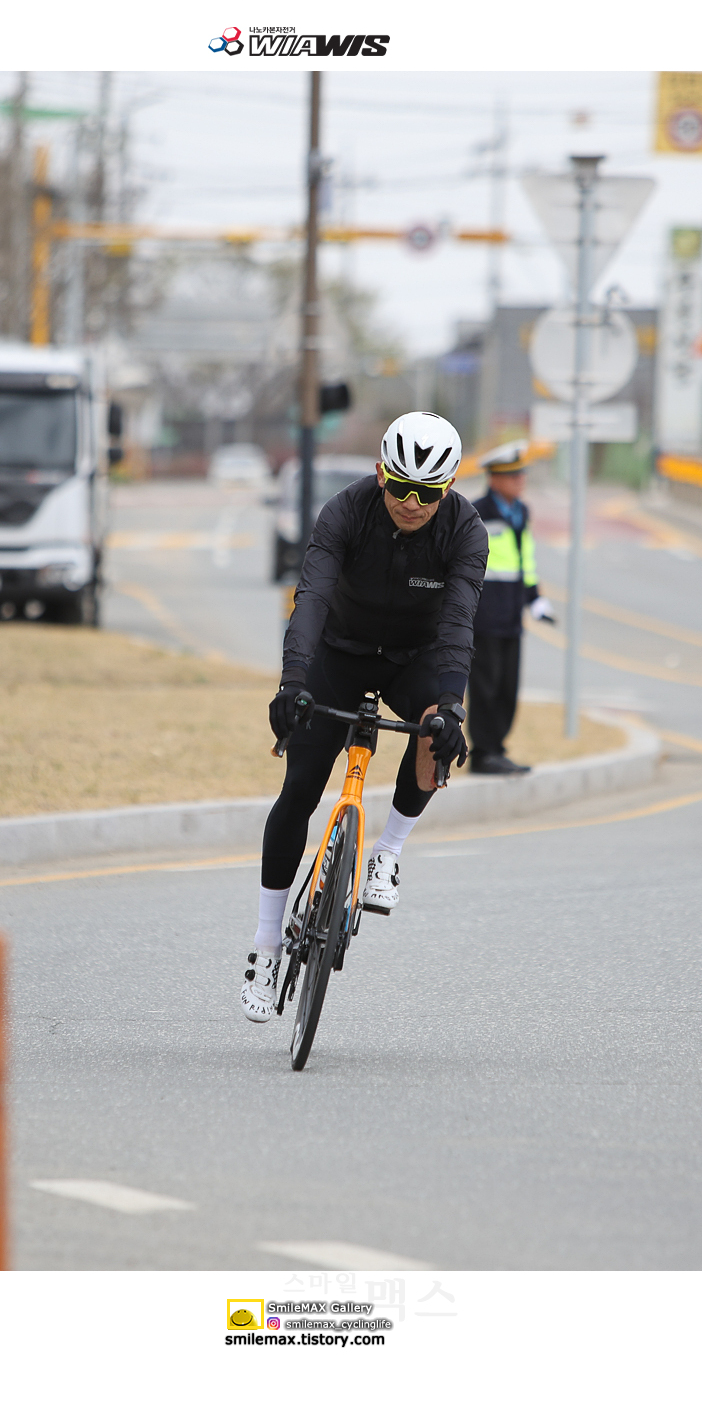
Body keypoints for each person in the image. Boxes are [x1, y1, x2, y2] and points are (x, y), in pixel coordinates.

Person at [241, 411, 488, 1023]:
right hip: (340, 654)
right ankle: (266, 946)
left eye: (427, 493)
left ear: (449, 487)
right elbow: (311, 600)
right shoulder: (344, 512)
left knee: (437, 727)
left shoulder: (466, 531)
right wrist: (292, 682)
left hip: (414, 658)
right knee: (300, 789)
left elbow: (459, 625)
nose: (412, 503)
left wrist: (451, 705)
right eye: (400, 486)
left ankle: (389, 849)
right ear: (381, 473)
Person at [466, 440, 554, 775]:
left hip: (512, 616)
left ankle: (497, 749)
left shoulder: (521, 513)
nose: (520, 481)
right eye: (513, 476)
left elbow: (524, 561)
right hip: (485, 616)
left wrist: (535, 599)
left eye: (522, 475)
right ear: (495, 479)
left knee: (507, 688)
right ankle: (483, 753)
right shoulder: (477, 514)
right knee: (485, 688)